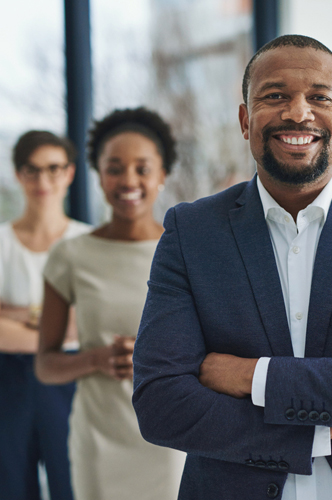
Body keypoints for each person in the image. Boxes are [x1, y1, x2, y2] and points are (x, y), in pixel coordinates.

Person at [132, 35, 332, 500]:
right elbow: (162, 403)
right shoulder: (192, 232)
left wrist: (251, 377)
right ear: (246, 120)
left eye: (319, 97)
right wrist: (326, 424)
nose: (298, 113)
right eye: (275, 95)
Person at [36, 108, 186, 500]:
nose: (128, 181)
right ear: (98, 174)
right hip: (98, 441)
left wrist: (159, 357)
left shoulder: (187, 252)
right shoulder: (70, 256)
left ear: (162, 174)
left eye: (142, 168)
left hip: (171, 440)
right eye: (114, 168)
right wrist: (96, 359)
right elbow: (46, 364)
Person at [0, 130, 90, 500]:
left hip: (72, 382)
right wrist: (59, 321)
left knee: (73, 485)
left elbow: (91, 325)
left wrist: (17, 315)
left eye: (53, 169)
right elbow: (73, 323)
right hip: (9, 384)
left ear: (69, 173)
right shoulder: (2, 243)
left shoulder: (89, 243)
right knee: (11, 486)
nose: (43, 180)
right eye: (32, 170)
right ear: (19, 175)